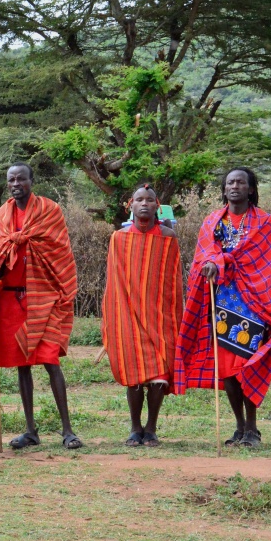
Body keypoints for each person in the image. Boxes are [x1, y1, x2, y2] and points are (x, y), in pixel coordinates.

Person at [0, 164, 83, 450]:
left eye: (21, 178)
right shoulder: (1, 215)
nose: (15, 183)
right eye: (11, 179)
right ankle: (30, 430)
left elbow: (59, 250)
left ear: (31, 181)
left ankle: (68, 430)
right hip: (10, 298)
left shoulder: (50, 210)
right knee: (21, 366)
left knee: (50, 360)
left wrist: (61, 292)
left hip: (43, 297)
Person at [174, 167, 271, 447]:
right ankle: (239, 427)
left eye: (241, 182)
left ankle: (253, 430)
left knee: (247, 365)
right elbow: (204, 255)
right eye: (230, 182)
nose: (235, 186)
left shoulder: (264, 222)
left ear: (250, 189)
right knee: (228, 369)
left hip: (253, 304)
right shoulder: (213, 221)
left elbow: (263, 264)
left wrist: (221, 261)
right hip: (221, 304)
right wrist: (213, 262)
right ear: (224, 189)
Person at [102, 184, 183, 446]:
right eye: (139, 199)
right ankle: (135, 427)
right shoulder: (119, 238)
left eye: (149, 199)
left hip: (160, 315)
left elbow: (174, 281)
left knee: (160, 371)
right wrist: (117, 317)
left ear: (157, 205)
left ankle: (151, 427)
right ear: (131, 205)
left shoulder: (169, 237)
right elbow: (113, 283)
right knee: (134, 372)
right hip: (128, 315)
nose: (144, 203)